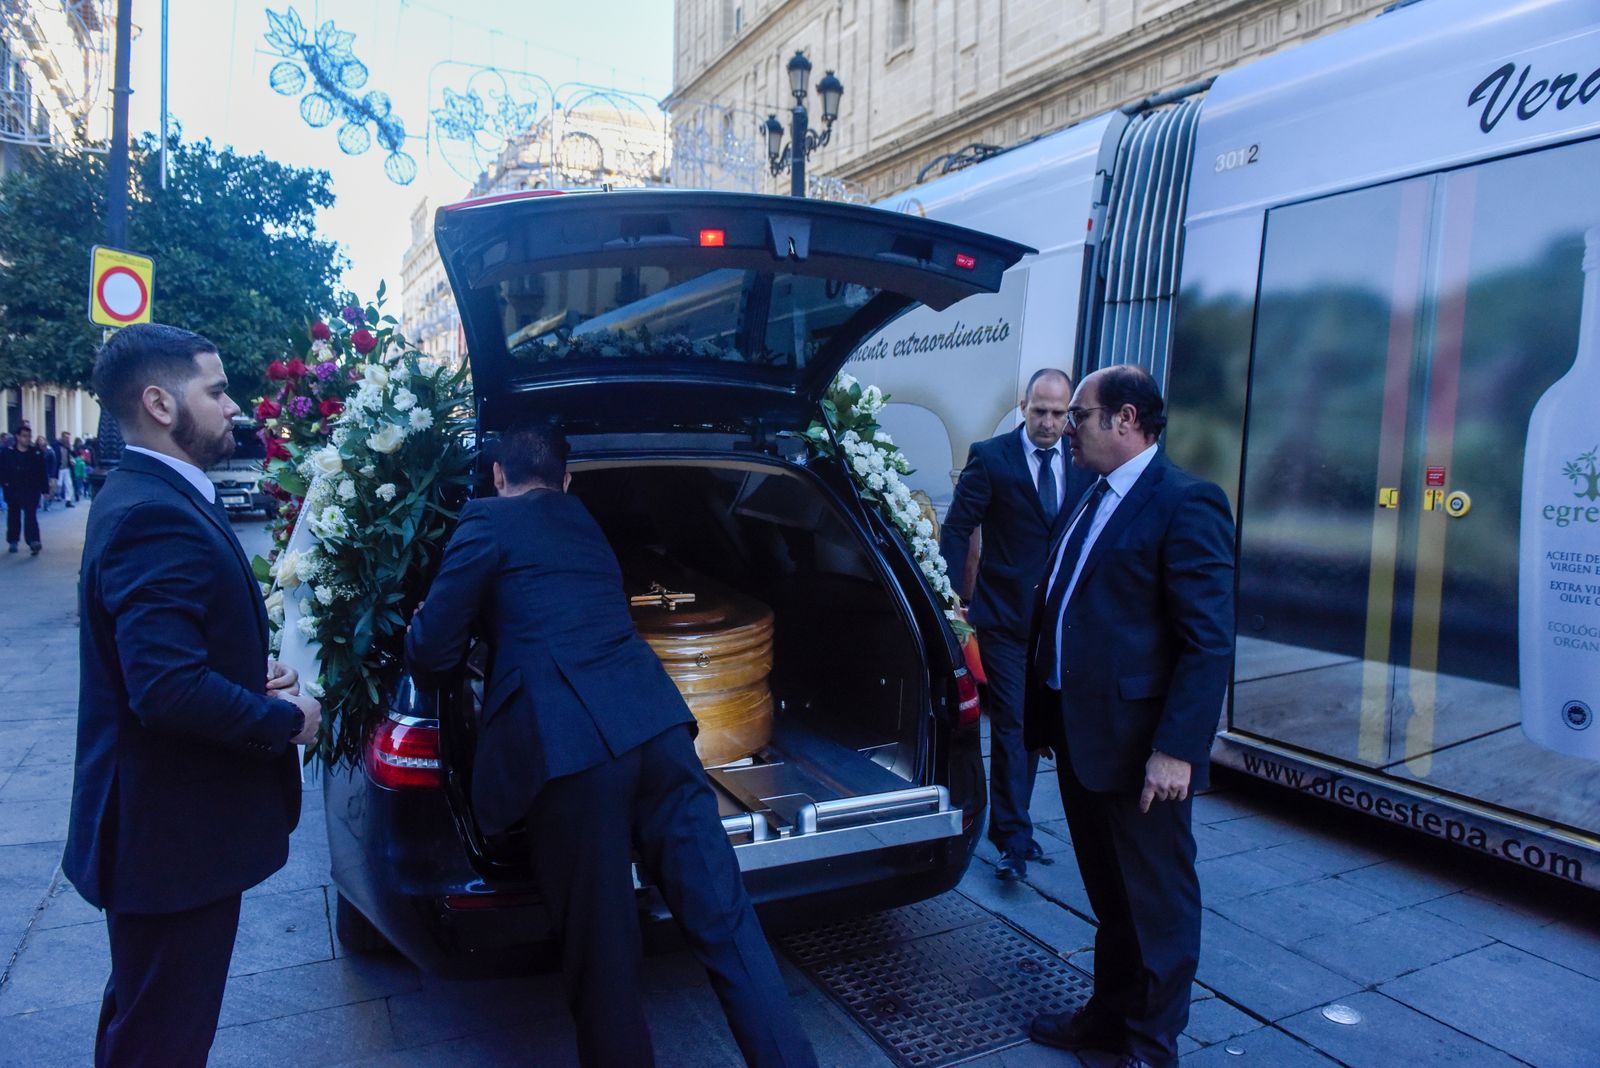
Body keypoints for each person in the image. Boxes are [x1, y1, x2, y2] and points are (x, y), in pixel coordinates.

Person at [405, 419, 817, 1068]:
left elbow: (431, 653)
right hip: (656, 729)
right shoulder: (586, 521)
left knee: (604, 960)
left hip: (571, 754)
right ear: (567, 481)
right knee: (727, 924)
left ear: (497, 476)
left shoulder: (484, 521)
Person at [64, 322, 322, 1067]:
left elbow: (165, 655)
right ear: (160, 403)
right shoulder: (153, 512)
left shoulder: (152, 491)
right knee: (162, 1038)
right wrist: (285, 720)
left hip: (164, 836)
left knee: (147, 1020)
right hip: (170, 840)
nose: (234, 405)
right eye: (215, 390)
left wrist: (240, 676)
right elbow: (167, 688)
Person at [1024, 365, 1235, 1068]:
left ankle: (1149, 1045)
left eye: (1080, 416)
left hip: (1142, 750)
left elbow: (1208, 641)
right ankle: (1107, 1017)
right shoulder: (1092, 494)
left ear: (1125, 419)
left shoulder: (1185, 502)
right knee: (1112, 897)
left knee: (1156, 905)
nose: (1067, 429)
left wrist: (1176, 749)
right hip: (1084, 738)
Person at [938, 367, 1088, 880]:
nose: (1049, 422)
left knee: (1038, 729)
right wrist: (952, 597)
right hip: (1001, 619)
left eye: (1059, 413)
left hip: (1058, 626)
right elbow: (959, 528)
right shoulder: (992, 457)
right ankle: (1014, 837)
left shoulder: (1083, 459)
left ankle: (1011, 827)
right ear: (1024, 406)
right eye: (1040, 411)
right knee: (1013, 726)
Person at [1, 425, 48, 553]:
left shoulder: (35, 453)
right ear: (17, 437)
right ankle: (13, 540)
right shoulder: (8, 452)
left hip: (31, 489)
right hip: (13, 488)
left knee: (31, 515)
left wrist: (45, 489)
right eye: (24, 436)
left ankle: (33, 541)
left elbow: (42, 472)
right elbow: (2, 469)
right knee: (13, 514)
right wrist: (4, 483)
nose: (27, 439)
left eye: (28, 436)